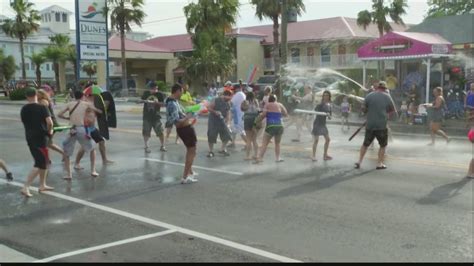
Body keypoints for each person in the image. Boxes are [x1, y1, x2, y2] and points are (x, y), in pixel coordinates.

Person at [58, 90, 102, 179]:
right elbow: (98, 111)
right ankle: (93, 170)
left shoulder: (70, 104)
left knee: (67, 153)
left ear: (74, 96)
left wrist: (67, 118)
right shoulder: (86, 104)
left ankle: (68, 174)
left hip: (71, 129)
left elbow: (59, 114)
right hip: (82, 129)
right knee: (92, 149)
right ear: (82, 96)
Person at [20, 88, 54, 197]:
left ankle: (42, 185)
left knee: (44, 161)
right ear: (36, 95)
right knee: (40, 162)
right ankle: (26, 187)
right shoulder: (42, 107)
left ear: (26, 97)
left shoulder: (24, 109)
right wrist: (49, 131)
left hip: (30, 137)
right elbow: (50, 122)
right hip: (41, 137)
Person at [355, 81, 396, 170]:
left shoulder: (369, 96)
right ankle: (379, 163)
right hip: (381, 125)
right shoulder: (387, 96)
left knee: (365, 144)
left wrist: (370, 113)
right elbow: (392, 111)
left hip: (370, 124)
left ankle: (359, 161)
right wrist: (386, 115)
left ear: (377, 88)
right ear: (385, 88)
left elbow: (363, 109)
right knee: (382, 145)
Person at [166, 84, 198, 184]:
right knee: (192, 151)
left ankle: (190, 171)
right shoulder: (172, 103)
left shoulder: (172, 101)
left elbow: (179, 115)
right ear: (177, 91)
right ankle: (185, 176)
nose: (182, 94)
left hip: (185, 129)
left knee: (190, 151)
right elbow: (177, 120)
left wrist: (190, 115)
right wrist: (187, 117)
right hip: (185, 129)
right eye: (182, 92)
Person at [74, 91, 114, 170]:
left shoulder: (91, 103)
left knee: (101, 141)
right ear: (88, 96)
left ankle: (104, 159)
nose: (94, 97)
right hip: (86, 128)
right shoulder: (85, 104)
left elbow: (98, 111)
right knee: (84, 146)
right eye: (92, 96)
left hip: (92, 128)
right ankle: (76, 163)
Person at [254, 94, 288, 164]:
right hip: (280, 125)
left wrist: (257, 122)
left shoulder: (267, 105)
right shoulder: (280, 105)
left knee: (265, 143)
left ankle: (260, 158)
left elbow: (263, 115)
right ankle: (277, 158)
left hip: (271, 125)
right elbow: (285, 113)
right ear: (276, 99)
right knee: (277, 143)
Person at [37, 89, 65, 158]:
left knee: (46, 143)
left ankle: (63, 154)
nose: (36, 95)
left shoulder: (43, 101)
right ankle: (49, 158)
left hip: (49, 124)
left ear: (42, 95)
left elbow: (44, 113)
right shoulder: (42, 101)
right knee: (48, 143)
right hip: (48, 123)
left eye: (37, 94)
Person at [140, 82, 167, 153]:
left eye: (156, 88)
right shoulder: (146, 93)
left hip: (156, 116)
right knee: (146, 132)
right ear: (150, 89)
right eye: (153, 89)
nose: (155, 90)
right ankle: (146, 146)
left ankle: (162, 146)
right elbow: (141, 100)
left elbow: (163, 104)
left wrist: (157, 103)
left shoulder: (159, 94)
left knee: (160, 131)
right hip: (147, 116)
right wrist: (144, 101)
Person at [207, 90, 233, 157]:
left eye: (230, 97)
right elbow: (209, 108)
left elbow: (228, 113)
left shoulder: (228, 103)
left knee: (227, 135)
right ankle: (211, 151)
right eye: (228, 97)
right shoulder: (216, 100)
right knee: (211, 135)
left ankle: (223, 149)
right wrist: (215, 112)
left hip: (222, 121)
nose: (229, 99)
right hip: (213, 120)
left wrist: (228, 123)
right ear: (224, 95)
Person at [311, 90, 332, 162]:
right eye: (324, 95)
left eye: (327, 95)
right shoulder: (321, 104)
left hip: (323, 124)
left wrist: (329, 115)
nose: (325, 96)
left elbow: (329, 116)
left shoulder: (329, 105)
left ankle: (325, 155)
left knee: (328, 139)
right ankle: (313, 156)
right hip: (317, 123)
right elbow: (315, 110)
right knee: (316, 140)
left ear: (329, 97)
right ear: (323, 96)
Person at [241, 91, 260, 160]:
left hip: (247, 119)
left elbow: (242, 109)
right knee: (254, 139)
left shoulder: (245, 102)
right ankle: (256, 155)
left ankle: (248, 156)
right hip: (255, 120)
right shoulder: (256, 101)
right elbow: (258, 110)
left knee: (249, 139)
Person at [229, 84, 247, 148]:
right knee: (234, 129)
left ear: (237, 89)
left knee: (240, 130)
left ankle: (248, 144)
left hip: (238, 115)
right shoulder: (242, 94)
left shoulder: (238, 94)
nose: (234, 90)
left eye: (234, 89)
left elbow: (231, 103)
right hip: (239, 115)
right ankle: (233, 142)